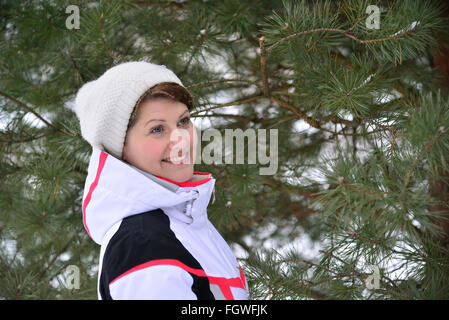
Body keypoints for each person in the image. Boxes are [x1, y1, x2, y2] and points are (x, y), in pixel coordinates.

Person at [74, 61, 248, 300]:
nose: (181, 140)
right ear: (120, 149)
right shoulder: (142, 245)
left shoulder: (184, 220)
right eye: (157, 129)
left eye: (183, 121)